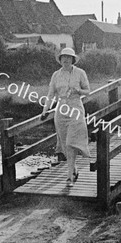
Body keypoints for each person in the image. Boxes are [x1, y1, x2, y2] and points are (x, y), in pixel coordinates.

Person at [41, 48, 90, 187]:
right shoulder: (56, 75)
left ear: (73, 59)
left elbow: (88, 91)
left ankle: (69, 177)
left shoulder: (80, 73)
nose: (66, 60)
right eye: (63, 57)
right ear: (60, 59)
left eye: (69, 57)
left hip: (75, 108)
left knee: (70, 142)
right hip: (61, 110)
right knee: (64, 144)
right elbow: (50, 95)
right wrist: (45, 110)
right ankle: (73, 169)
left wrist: (78, 91)